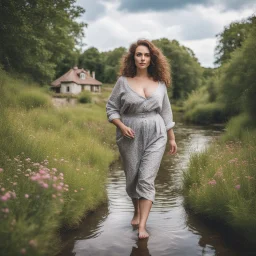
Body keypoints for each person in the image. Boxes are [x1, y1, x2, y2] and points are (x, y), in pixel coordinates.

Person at [106, 39, 177, 239]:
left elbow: (166, 112)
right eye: (139, 54)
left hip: (157, 133)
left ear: (152, 58)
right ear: (133, 57)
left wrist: (171, 138)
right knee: (133, 177)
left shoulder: (160, 83)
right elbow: (111, 108)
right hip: (130, 133)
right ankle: (136, 211)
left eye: (146, 55)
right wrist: (121, 126)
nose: (143, 58)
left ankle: (142, 226)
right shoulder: (123, 82)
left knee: (146, 178)